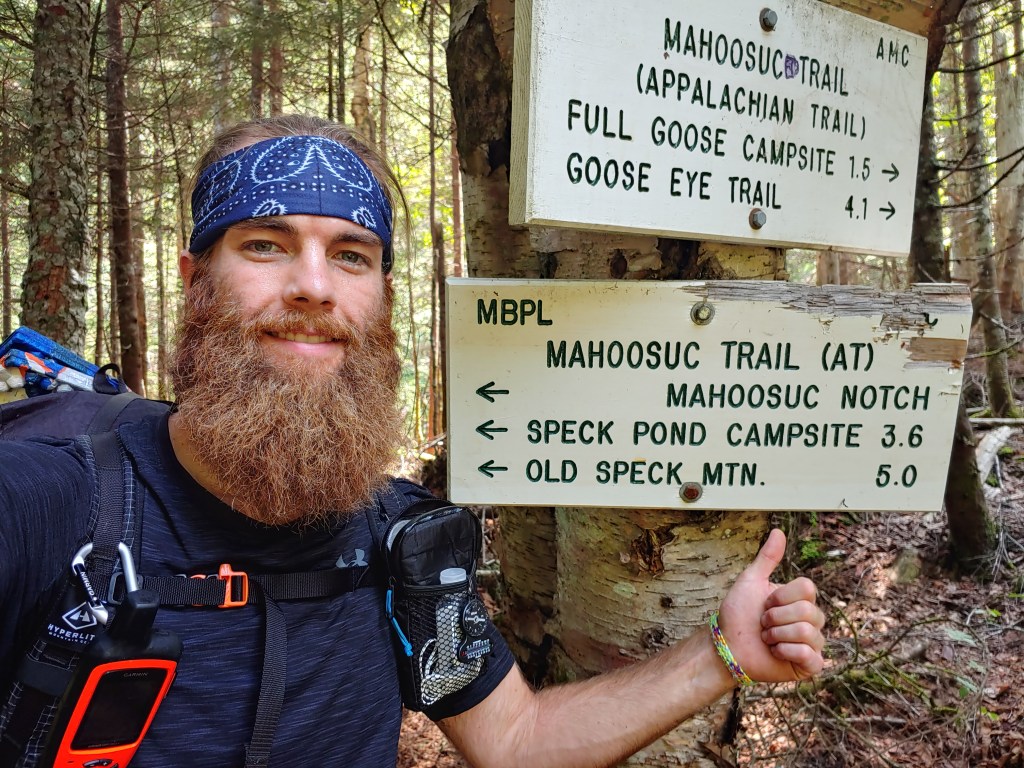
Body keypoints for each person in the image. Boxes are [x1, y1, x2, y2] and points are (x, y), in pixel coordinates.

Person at [0, 115, 825, 767]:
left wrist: (722, 653)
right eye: (265, 245)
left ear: (382, 299)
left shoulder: (401, 539)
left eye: (351, 255)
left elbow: (516, 741)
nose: (314, 286)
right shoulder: (46, 504)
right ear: (195, 282)